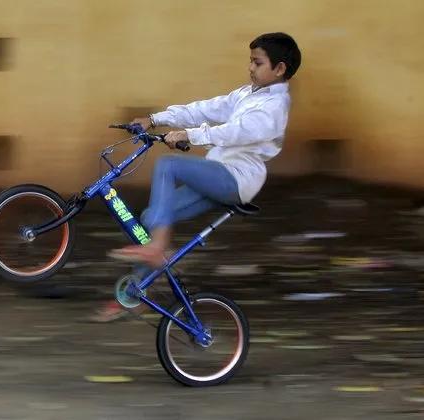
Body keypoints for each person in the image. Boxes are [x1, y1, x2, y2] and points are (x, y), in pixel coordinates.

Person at [87, 32, 302, 322]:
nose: (250, 67)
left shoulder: (274, 106)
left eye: (258, 62)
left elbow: (234, 132)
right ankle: (136, 296)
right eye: (250, 61)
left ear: (279, 69)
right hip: (218, 172)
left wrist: (191, 135)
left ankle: (157, 248)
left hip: (236, 178)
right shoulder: (248, 94)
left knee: (169, 165)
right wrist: (155, 118)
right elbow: (207, 108)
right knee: (153, 215)